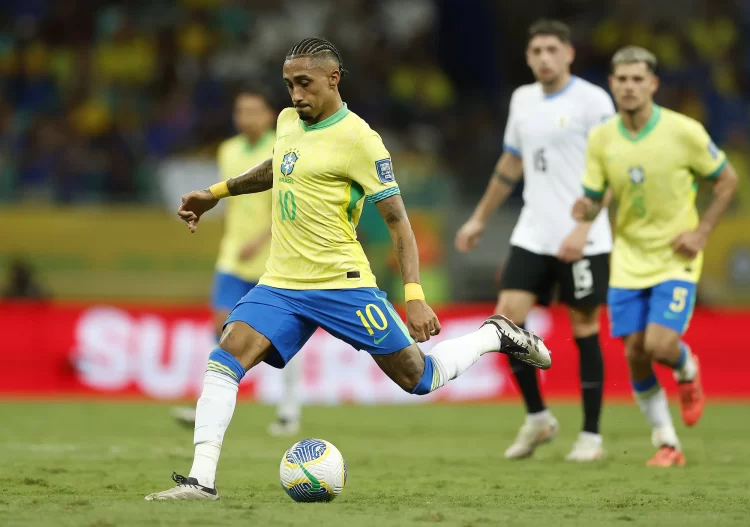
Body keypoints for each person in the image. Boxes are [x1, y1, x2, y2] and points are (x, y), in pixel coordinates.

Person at [145, 37, 551, 501]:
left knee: (419, 378)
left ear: (332, 79)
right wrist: (216, 192)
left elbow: (398, 223)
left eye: (304, 83)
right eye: (288, 85)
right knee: (226, 355)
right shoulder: (286, 120)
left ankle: (494, 335)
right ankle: (202, 481)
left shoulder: (360, 140)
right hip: (282, 281)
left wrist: (414, 295)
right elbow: (280, 166)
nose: (295, 95)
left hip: (343, 284)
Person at [455, 19, 614, 462]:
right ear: (528, 58)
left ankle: (591, 435)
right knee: (504, 324)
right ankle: (538, 417)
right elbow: (512, 163)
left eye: (552, 49)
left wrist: (584, 227)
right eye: (536, 51)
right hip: (533, 232)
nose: (544, 57)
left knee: (584, 329)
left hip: (586, 236)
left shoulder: (593, 100)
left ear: (569, 54)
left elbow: (615, 167)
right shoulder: (522, 99)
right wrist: (479, 218)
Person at [573, 46, 738, 467]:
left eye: (637, 79)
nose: (628, 87)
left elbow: (726, 181)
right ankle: (667, 443)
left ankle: (686, 368)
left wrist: (701, 232)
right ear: (611, 84)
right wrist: (584, 211)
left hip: (673, 257)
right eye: (621, 80)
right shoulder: (602, 138)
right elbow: (594, 198)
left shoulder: (684, 131)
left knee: (660, 344)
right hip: (628, 258)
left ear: (652, 84)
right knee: (634, 353)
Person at [170, 84, 303, 437]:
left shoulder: (286, 144)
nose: (246, 118)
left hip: (273, 256)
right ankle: (211, 402)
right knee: (221, 325)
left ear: (268, 115)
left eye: (253, 111)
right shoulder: (228, 150)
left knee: (279, 336)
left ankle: (289, 406)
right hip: (233, 255)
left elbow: (290, 203)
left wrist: (260, 239)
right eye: (240, 111)